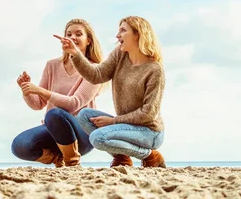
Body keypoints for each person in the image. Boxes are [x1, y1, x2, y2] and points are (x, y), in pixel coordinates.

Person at [53, 16, 166, 168]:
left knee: (98, 138)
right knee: (84, 115)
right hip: (126, 125)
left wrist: (113, 121)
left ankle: (151, 156)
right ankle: (122, 157)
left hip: (149, 132)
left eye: (123, 30)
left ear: (138, 34)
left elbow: (148, 114)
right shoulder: (119, 55)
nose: (117, 35)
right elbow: (96, 75)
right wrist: (75, 53)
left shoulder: (154, 70)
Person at [11, 19, 104, 167]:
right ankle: (57, 158)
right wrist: (26, 90)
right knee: (19, 146)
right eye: (69, 34)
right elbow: (38, 104)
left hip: (82, 134)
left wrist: (39, 90)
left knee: (55, 114)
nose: (73, 37)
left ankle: (72, 162)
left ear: (88, 41)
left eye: (78, 34)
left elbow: (74, 104)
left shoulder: (95, 70)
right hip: (54, 129)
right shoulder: (52, 65)